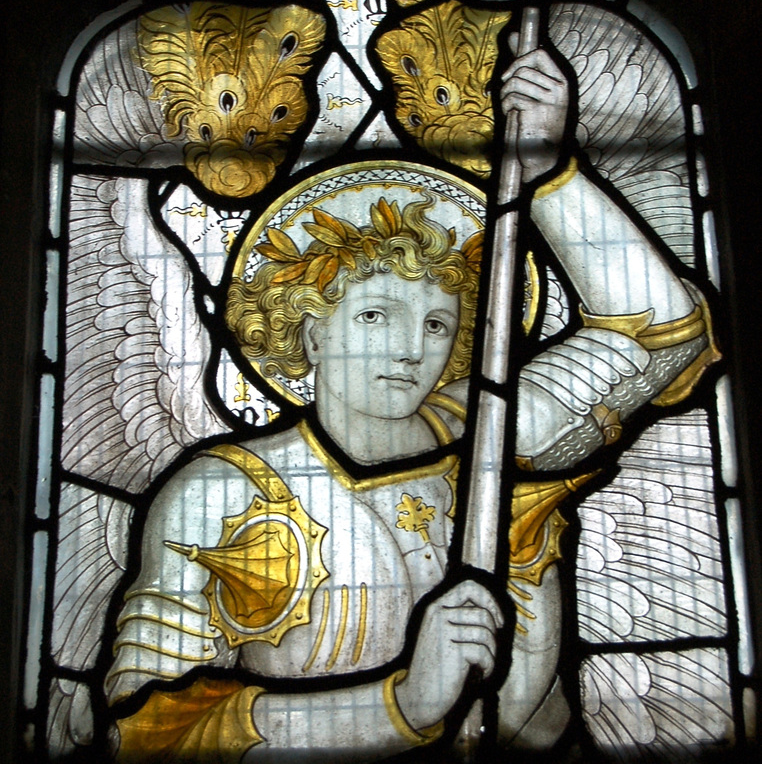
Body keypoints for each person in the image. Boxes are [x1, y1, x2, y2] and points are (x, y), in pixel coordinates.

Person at [105, 44, 717, 762]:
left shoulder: (490, 432)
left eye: (436, 325)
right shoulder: (222, 493)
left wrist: (552, 172)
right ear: (308, 327)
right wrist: (404, 702)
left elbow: (660, 331)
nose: (410, 350)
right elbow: (150, 732)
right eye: (374, 316)